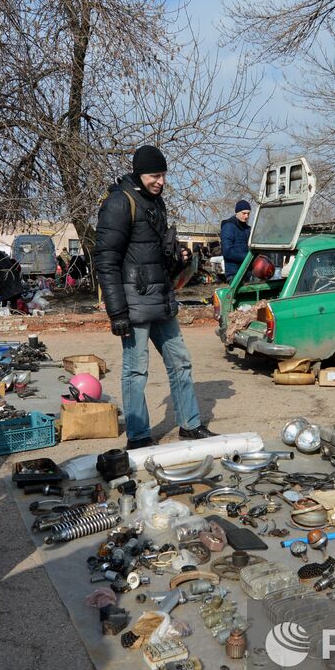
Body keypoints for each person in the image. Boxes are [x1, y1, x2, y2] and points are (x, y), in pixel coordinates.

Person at [93, 145, 212, 450]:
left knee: (180, 361)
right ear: (139, 173)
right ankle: (139, 436)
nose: (161, 181)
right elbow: (106, 260)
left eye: (163, 175)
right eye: (155, 175)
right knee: (136, 370)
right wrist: (117, 313)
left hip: (161, 299)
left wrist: (178, 257)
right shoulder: (120, 203)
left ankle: (190, 424)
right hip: (133, 304)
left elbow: (155, 255)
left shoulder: (156, 203)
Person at [219, 199, 251, 279]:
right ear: (237, 212)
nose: (246, 216)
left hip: (247, 272)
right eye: (244, 213)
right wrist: (249, 257)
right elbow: (227, 252)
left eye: (248, 213)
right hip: (234, 274)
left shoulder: (247, 229)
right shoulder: (229, 227)